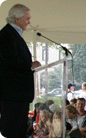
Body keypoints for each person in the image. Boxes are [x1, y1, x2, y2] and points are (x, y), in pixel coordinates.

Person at [0, 4, 41, 137]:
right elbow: (10, 62)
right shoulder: (6, 35)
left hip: (19, 95)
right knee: (13, 131)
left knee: (19, 130)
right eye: (27, 18)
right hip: (13, 95)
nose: (29, 22)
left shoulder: (14, 35)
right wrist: (30, 65)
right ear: (17, 19)